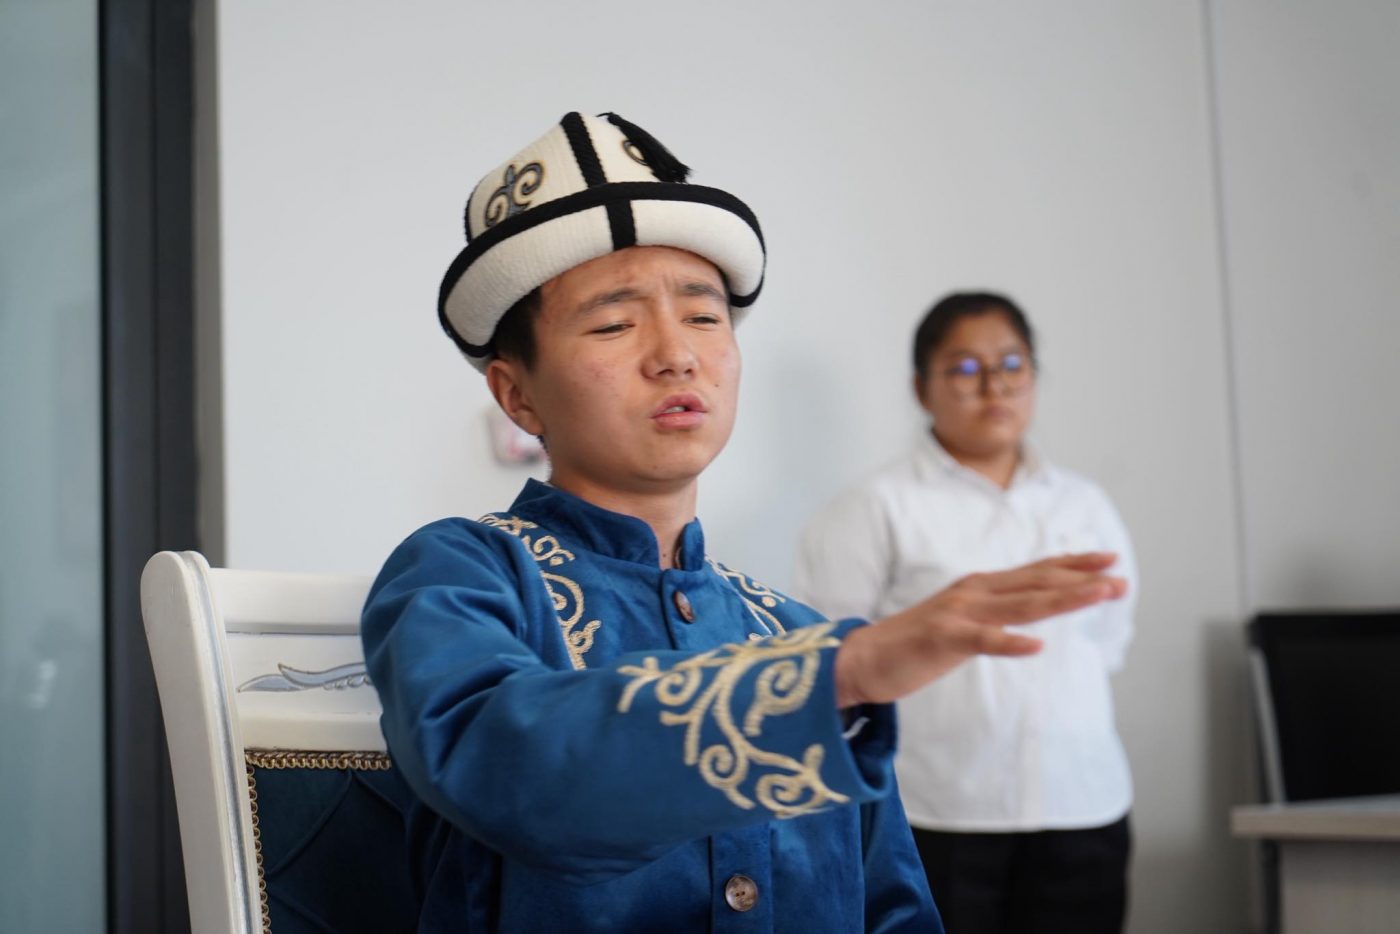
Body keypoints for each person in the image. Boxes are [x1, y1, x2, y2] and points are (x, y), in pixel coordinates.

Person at [361, 115, 1128, 933]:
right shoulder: (459, 573)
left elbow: (893, 910)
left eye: (703, 316)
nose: (676, 354)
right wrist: (835, 677)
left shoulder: (787, 628)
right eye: (615, 324)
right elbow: (505, 765)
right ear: (517, 394)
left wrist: (833, 671)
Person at [792, 292, 1138, 933]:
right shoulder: (874, 507)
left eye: (1012, 365)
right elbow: (829, 665)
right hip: (940, 812)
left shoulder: (1084, 505)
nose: (994, 386)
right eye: (966, 369)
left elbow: (1109, 640)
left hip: (1082, 804)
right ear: (921, 388)